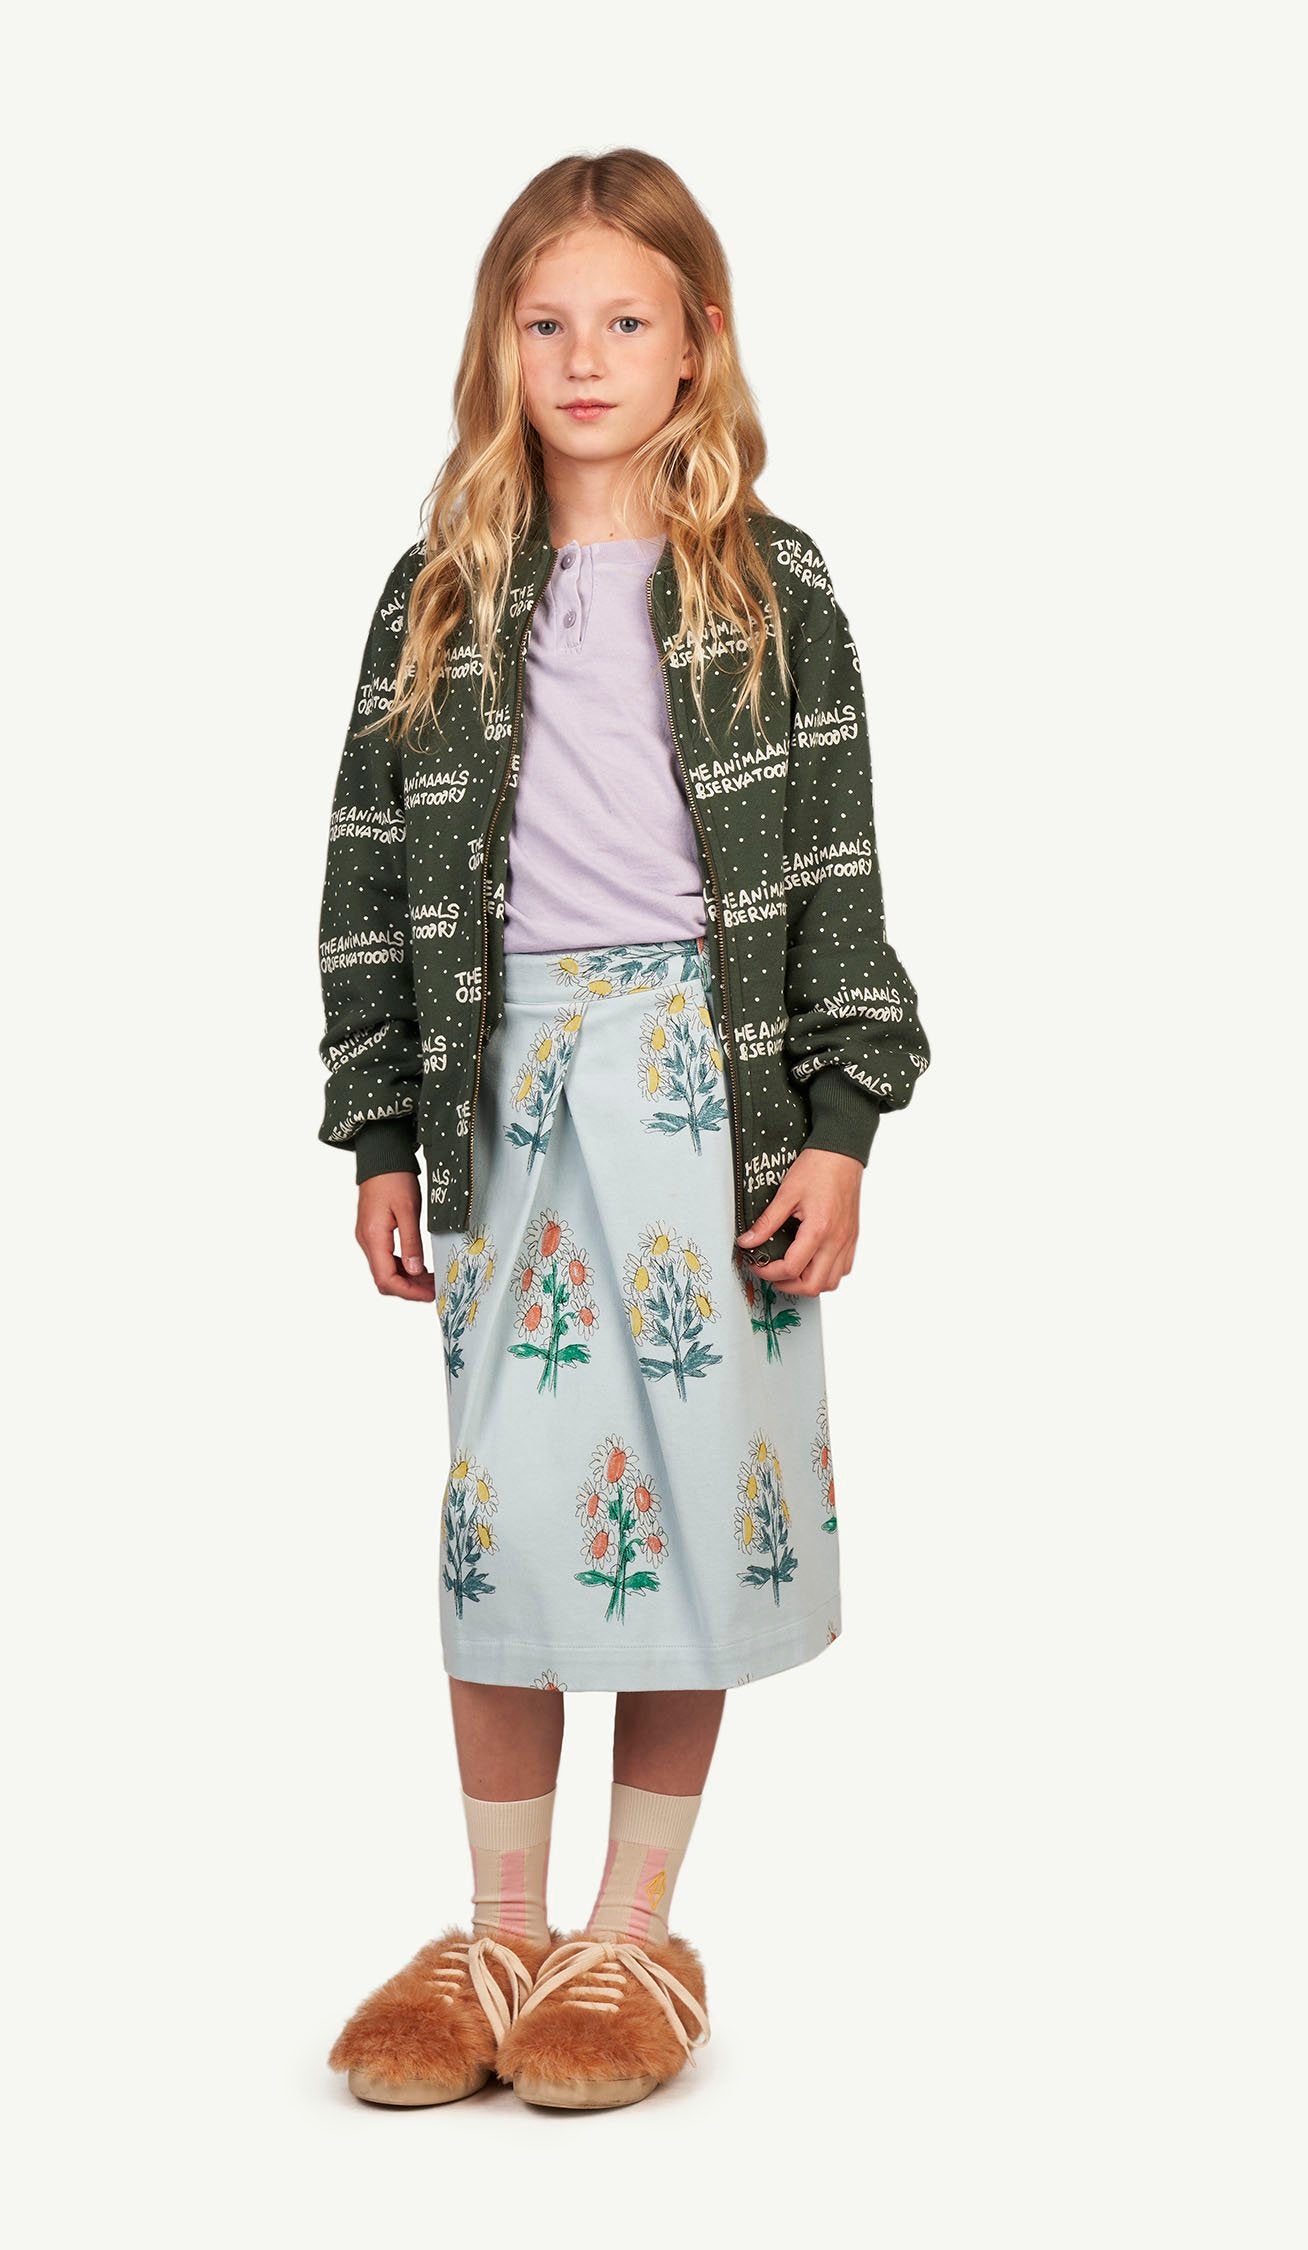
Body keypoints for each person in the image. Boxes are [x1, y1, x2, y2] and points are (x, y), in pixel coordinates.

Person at [316, 148, 931, 2111]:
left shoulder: (772, 587)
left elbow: (833, 874)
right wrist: (381, 1132)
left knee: (685, 1505)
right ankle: (498, 1927)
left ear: (697, 343)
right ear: (501, 344)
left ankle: (630, 1930)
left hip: (707, 1090)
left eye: (626, 320)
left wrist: (838, 1122)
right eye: (547, 321)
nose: (584, 358)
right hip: (502, 1095)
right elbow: (365, 880)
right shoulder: (436, 594)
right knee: (502, 1516)